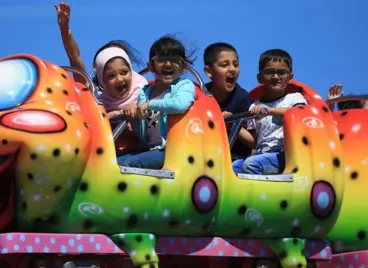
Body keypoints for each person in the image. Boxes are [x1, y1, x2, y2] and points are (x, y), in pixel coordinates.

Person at [55, 2, 148, 155]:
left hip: (140, 153)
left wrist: (128, 112)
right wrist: (65, 31)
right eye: (111, 75)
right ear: (101, 77)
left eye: (124, 72)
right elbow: (75, 58)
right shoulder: (97, 99)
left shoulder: (143, 89)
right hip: (107, 156)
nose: (119, 79)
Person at [118, 35, 197, 169]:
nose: (167, 64)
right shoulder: (145, 92)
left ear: (184, 66)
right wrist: (133, 116)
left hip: (171, 151)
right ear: (151, 66)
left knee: (129, 165)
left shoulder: (185, 85)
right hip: (148, 150)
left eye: (175, 60)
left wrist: (149, 105)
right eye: (161, 60)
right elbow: (141, 132)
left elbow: (179, 105)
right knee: (114, 162)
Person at [232, 49, 307, 175]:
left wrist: (270, 111)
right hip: (262, 155)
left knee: (251, 164)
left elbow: (299, 114)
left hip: (285, 155)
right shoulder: (255, 106)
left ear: (290, 77)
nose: (276, 77)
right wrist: (235, 126)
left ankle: (259, 193)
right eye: (269, 72)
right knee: (234, 167)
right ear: (260, 77)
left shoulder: (295, 98)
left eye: (281, 72)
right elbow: (254, 141)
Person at [203, 42, 254, 172]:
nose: (232, 69)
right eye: (224, 65)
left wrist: (232, 123)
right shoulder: (200, 95)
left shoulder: (243, 99)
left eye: (235, 64)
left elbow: (254, 142)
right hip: (203, 154)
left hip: (234, 159)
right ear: (209, 71)